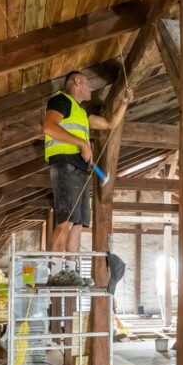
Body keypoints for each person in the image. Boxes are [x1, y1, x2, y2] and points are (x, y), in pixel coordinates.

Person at [42, 70, 131, 286]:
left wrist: (125, 103)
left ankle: (70, 272)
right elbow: (48, 126)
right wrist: (82, 143)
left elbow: (110, 123)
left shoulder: (81, 113)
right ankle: (55, 272)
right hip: (64, 164)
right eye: (88, 83)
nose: (91, 87)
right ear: (76, 82)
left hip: (79, 170)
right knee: (66, 219)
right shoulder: (60, 100)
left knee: (79, 223)